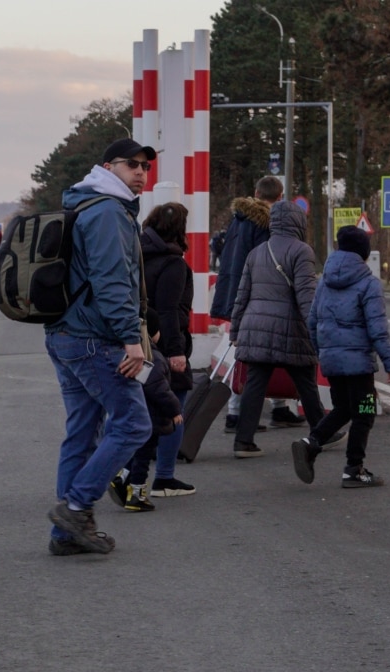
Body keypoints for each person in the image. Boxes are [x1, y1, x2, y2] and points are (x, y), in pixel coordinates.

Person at [45, 138, 154, 555]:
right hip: (95, 338)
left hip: (64, 334)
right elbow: (112, 283)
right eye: (133, 165)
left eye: (146, 166)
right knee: (133, 424)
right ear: (109, 167)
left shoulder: (83, 203)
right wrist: (132, 340)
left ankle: (66, 535)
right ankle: (75, 508)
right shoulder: (108, 211)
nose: (141, 173)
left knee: (82, 431)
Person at [292, 226, 390, 488]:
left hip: (333, 361)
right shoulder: (368, 283)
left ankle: (311, 443)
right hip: (358, 365)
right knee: (364, 412)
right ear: (364, 254)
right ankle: (354, 469)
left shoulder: (325, 281)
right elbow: (377, 328)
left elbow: (313, 321)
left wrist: (323, 352)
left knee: (342, 408)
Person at [228, 200, 326, 458]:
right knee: (305, 381)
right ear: (297, 222)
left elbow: (242, 295)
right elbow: (307, 298)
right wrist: (316, 332)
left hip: (255, 327)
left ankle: (244, 441)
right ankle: (321, 432)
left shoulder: (257, 252)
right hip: (289, 329)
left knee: (255, 384)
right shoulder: (301, 251)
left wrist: (236, 331)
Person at [210, 177, 306, 432]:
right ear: (281, 195)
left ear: (255, 193)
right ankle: (237, 414)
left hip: (234, 292)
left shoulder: (237, 220)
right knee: (264, 354)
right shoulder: (269, 224)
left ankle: (276, 408)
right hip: (259, 296)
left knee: (252, 354)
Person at [138, 202, 196, 497]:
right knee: (174, 409)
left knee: (139, 409)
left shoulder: (135, 255)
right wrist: (177, 353)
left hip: (136, 341)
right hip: (165, 345)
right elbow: (171, 310)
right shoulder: (173, 263)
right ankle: (164, 477)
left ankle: (129, 474)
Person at [108, 308, 181, 512]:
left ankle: (122, 477)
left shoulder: (124, 354)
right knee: (143, 458)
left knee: (135, 451)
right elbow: (159, 390)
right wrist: (175, 410)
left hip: (134, 413)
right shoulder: (153, 357)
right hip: (152, 417)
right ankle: (137, 495)